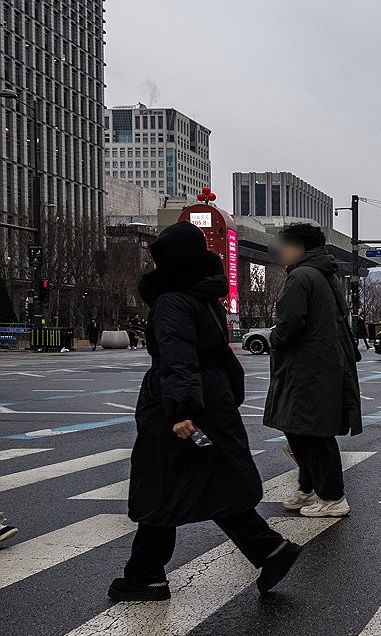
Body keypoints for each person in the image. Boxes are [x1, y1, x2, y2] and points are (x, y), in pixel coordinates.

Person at [110, 222, 302, 602]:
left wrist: (181, 411)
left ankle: (147, 574)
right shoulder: (204, 298)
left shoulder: (172, 301)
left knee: (161, 484)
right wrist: (221, 399)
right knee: (213, 480)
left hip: (177, 404)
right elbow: (219, 356)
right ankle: (267, 550)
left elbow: (177, 356)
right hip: (208, 398)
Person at [264, 223, 363, 518]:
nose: (280, 250)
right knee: (302, 430)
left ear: (299, 248)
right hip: (321, 365)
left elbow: (290, 324)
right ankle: (307, 489)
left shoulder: (302, 276)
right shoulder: (324, 273)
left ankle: (332, 497)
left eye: (285, 244)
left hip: (307, 368)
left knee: (312, 434)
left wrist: (274, 339)